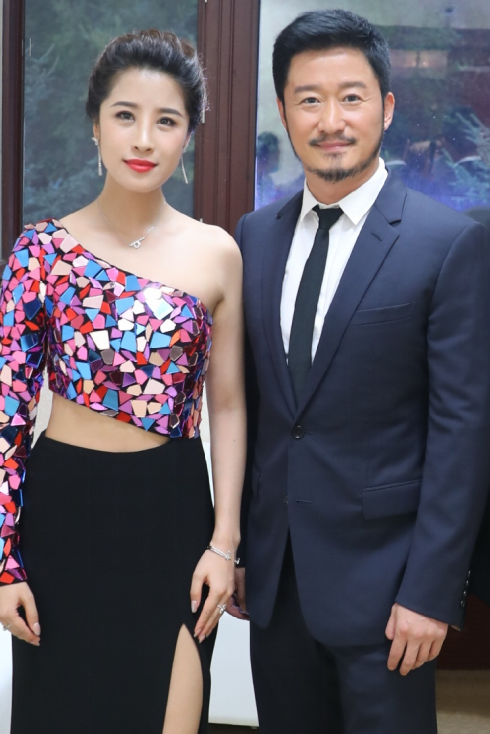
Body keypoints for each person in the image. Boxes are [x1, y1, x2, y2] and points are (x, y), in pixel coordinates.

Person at [230, 10, 490, 734]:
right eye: (309, 99)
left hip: (389, 593)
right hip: (276, 587)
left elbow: (463, 434)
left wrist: (432, 591)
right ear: (283, 110)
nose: (331, 120)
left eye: (351, 97)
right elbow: (261, 410)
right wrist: (245, 548)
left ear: (387, 106)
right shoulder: (255, 236)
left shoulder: (445, 243)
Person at [0, 29, 245, 734]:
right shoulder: (41, 251)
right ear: (95, 123)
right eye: (125, 115)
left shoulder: (217, 253)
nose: (144, 139)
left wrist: (224, 543)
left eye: (167, 120)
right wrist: (1, 564)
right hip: (64, 517)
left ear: (188, 135)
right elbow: (8, 416)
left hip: (172, 512)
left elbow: (227, 406)